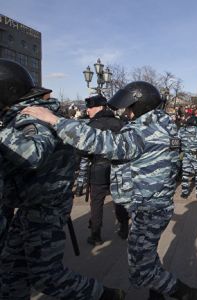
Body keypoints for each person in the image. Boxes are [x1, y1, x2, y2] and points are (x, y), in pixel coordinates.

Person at [23, 80, 197, 300]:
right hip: (155, 204)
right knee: (146, 256)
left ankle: (185, 293)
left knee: (140, 271)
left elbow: (101, 142)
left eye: (129, 107)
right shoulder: (162, 124)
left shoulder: (142, 132)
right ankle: (158, 295)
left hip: (148, 208)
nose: (126, 112)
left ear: (139, 106)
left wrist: (55, 120)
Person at [0, 59, 124, 300]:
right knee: (10, 269)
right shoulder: (26, 115)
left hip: (44, 208)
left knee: (47, 277)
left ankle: (105, 296)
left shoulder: (32, 118)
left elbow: (33, 154)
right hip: (31, 206)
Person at [75, 94, 130, 245]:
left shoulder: (91, 126)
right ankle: (124, 229)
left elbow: (82, 150)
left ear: (100, 107)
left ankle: (95, 235)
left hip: (98, 168)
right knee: (119, 200)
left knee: (97, 203)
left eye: (90, 107)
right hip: (118, 167)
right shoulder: (119, 123)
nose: (88, 111)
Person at [178, 116, 197, 199]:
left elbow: (176, 141)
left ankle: (184, 193)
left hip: (186, 154)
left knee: (185, 173)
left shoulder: (182, 130)